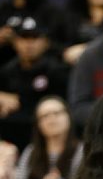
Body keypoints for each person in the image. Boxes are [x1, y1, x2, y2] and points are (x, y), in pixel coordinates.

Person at [0, 16, 70, 151]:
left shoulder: (57, 71)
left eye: (35, 38)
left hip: (45, 138)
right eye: (24, 38)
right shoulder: (6, 71)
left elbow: (60, 106)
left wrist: (19, 100)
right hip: (9, 138)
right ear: (15, 42)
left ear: (46, 42)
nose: (29, 44)